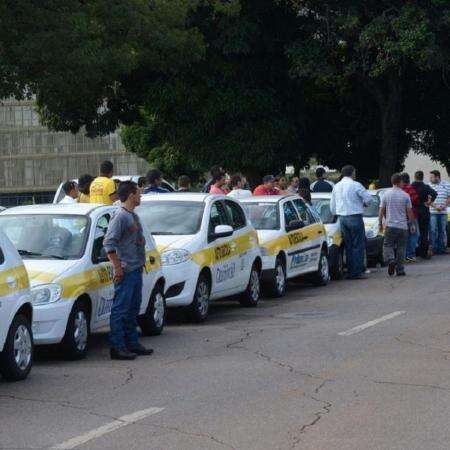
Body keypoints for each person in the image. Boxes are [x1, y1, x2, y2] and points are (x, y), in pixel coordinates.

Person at [103, 181, 153, 360]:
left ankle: (132, 343)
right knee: (121, 309)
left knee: (133, 308)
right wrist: (117, 267)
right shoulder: (120, 217)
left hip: (136, 269)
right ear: (131, 195)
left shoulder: (133, 215)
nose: (140, 195)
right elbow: (109, 243)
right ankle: (117, 347)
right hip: (126, 271)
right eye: (138, 192)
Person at [330, 165, 373, 280]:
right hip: (355, 217)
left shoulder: (336, 186)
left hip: (342, 218)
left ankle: (350, 271)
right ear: (352, 173)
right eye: (354, 172)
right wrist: (364, 204)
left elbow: (332, 207)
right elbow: (369, 199)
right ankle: (357, 272)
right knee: (358, 245)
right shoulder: (356, 185)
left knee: (348, 246)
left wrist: (337, 212)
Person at [379, 173, 416, 277]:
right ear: (400, 182)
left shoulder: (386, 194)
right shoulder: (405, 195)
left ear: (392, 182)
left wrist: (380, 223)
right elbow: (409, 211)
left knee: (387, 245)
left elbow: (381, 210)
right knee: (401, 248)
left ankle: (391, 259)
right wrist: (412, 225)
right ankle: (400, 270)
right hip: (402, 226)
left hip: (390, 225)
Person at [412, 171, 437, 259]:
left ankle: (413, 253)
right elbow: (434, 193)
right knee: (424, 232)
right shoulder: (425, 187)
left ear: (415, 177)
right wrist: (429, 202)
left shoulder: (411, 186)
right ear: (422, 177)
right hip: (424, 211)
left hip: (413, 211)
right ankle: (423, 253)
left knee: (413, 233)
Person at [429, 170, 450, 254]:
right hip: (433, 212)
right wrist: (435, 206)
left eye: (432, 177)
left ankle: (441, 248)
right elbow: (427, 199)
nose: (430, 178)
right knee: (433, 230)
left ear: (437, 177)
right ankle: (433, 248)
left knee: (442, 230)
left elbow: (449, 197)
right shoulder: (429, 186)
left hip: (443, 212)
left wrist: (444, 206)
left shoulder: (447, 184)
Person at [400, 173, 420, 262]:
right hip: (412, 215)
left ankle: (404, 256)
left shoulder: (399, 190)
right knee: (414, 234)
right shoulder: (410, 189)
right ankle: (410, 255)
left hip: (401, 216)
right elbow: (416, 201)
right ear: (408, 180)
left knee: (405, 237)